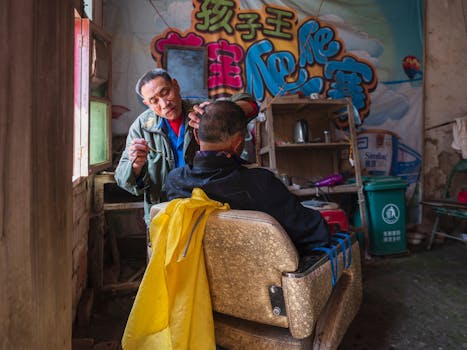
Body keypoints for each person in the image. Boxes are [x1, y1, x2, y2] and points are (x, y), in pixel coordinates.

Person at [164, 100, 330, 256]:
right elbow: (311, 233)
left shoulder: (175, 181)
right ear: (238, 142)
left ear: (196, 135)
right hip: (258, 278)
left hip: (203, 280)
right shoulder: (259, 182)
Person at [114, 68, 258, 225]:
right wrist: (135, 165)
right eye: (154, 101)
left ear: (175, 85)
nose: (164, 104)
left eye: (165, 92)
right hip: (165, 217)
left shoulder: (202, 110)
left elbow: (251, 105)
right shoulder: (142, 127)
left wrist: (218, 114)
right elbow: (122, 179)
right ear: (146, 103)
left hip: (209, 212)